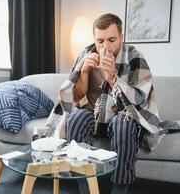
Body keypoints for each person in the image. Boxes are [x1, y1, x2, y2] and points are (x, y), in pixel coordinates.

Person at [63, 13, 161, 194]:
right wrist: (84, 72)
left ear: (121, 37)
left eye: (111, 40)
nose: (105, 46)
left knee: (123, 123)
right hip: (93, 116)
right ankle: (85, 187)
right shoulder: (86, 54)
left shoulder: (135, 57)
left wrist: (113, 78)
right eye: (100, 41)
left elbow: (140, 98)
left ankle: (119, 189)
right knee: (76, 118)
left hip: (122, 117)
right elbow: (75, 96)